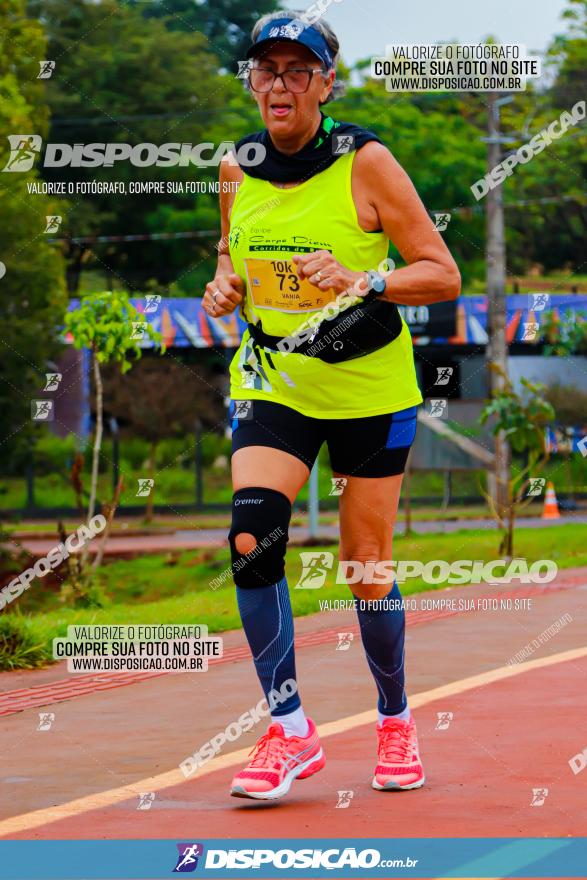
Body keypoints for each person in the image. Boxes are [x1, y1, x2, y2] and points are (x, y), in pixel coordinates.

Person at [203, 12, 460, 801]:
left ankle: (393, 718)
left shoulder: (367, 164)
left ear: (325, 83)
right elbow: (229, 250)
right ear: (251, 81)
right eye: (265, 69)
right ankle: (289, 730)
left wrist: (362, 280)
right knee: (252, 533)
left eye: (297, 70)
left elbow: (440, 273)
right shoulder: (234, 168)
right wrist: (223, 286)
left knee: (363, 566)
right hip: (276, 379)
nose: (278, 84)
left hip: (367, 387)